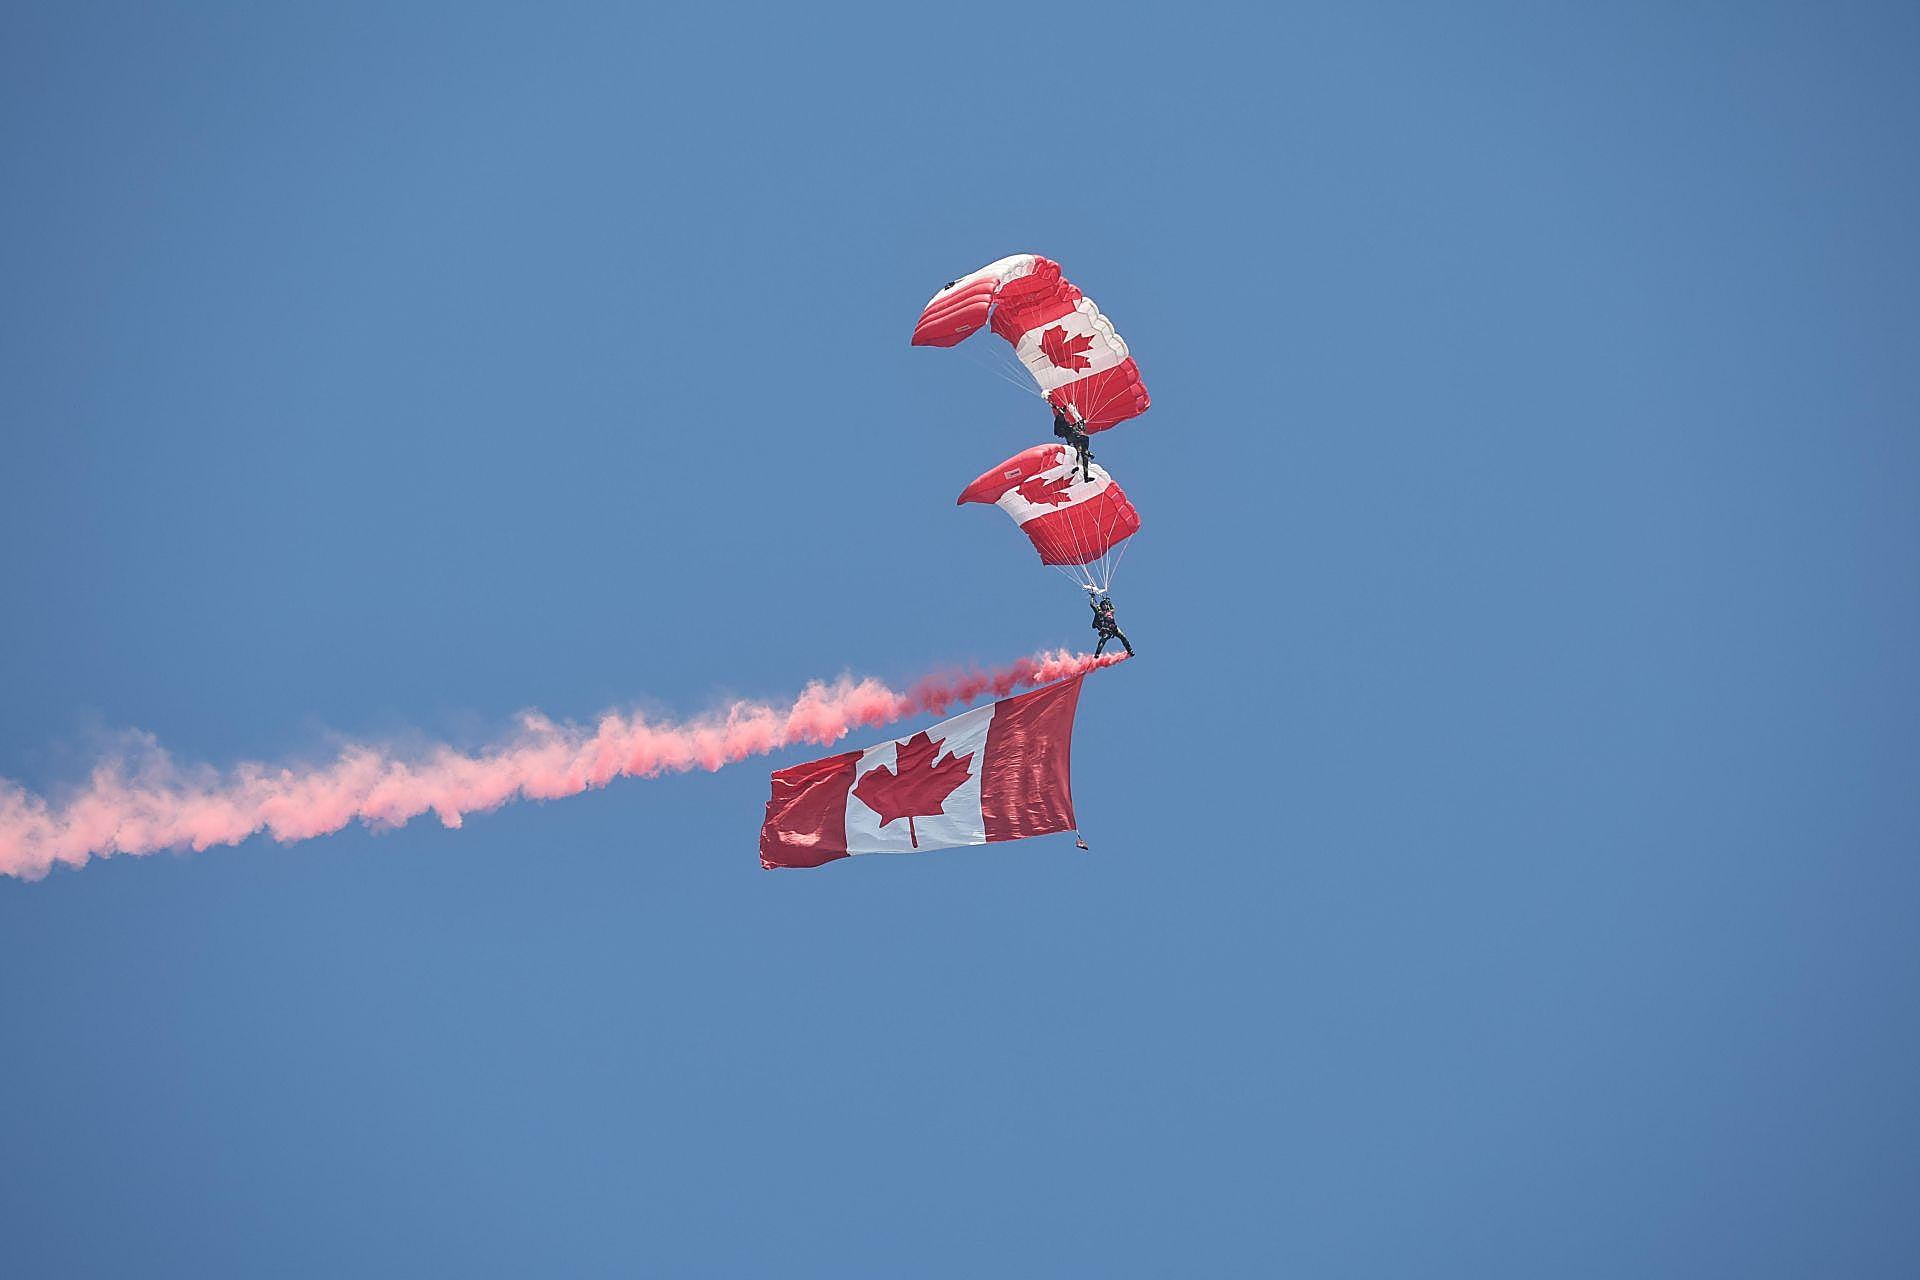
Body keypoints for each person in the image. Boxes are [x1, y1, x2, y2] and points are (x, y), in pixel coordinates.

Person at [1051, 402, 1095, 482]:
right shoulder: (1060, 420)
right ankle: (1082, 458)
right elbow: (1061, 415)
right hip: (1072, 437)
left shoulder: (1061, 420)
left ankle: (1085, 476)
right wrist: (1056, 406)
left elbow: (1063, 416)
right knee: (1085, 440)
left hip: (1071, 439)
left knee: (1080, 454)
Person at [1089, 591, 1133, 658]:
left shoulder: (1111, 612)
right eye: (1104, 604)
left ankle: (1129, 651)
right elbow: (1092, 605)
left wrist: (1108, 601)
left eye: (1106, 604)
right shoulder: (1100, 613)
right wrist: (1092, 597)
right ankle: (1097, 653)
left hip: (1114, 628)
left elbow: (1112, 607)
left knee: (1123, 637)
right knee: (1102, 641)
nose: (1105, 605)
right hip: (1106, 630)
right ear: (1101, 606)